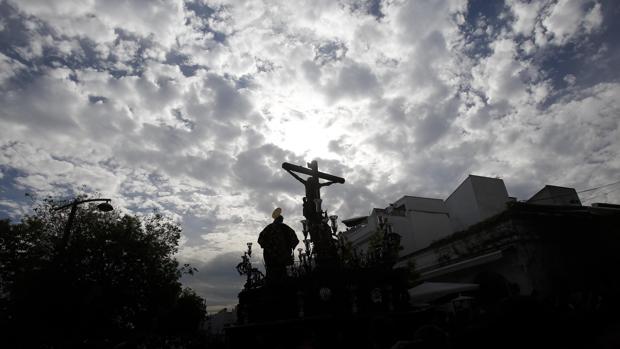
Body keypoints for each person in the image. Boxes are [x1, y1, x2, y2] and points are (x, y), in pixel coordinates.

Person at [258, 208, 299, 281]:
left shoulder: (270, 228)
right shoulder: (284, 228)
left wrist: (268, 248)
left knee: (276, 275)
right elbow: (295, 240)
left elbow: (260, 240)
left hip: (275, 257)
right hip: (278, 257)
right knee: (279, 275)